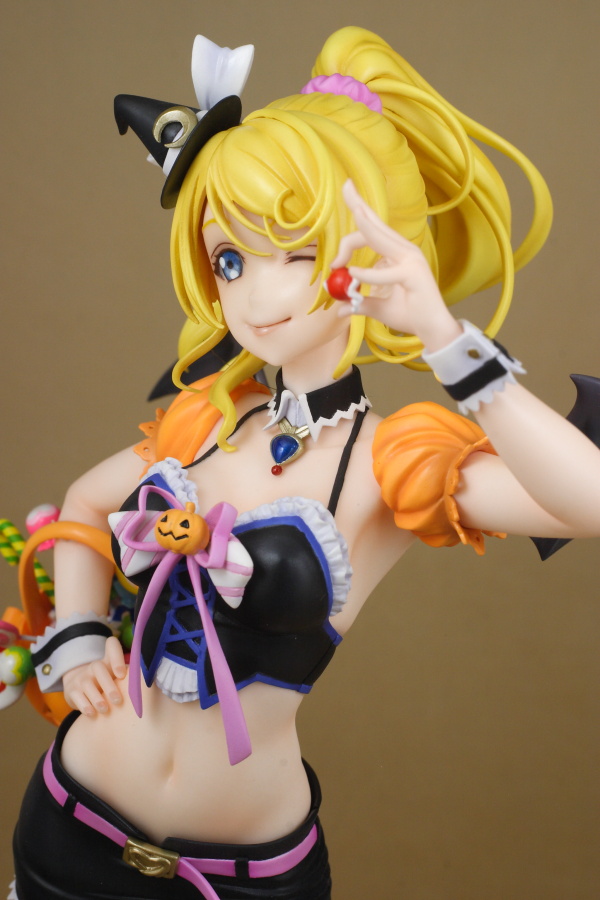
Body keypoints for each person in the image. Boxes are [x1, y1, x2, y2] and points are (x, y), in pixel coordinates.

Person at [11, 25, 600, 900]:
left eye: (297, 251)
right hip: (71, 828)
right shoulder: (207, 418)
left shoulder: (389, 463)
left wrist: (444, 338)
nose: (257, 293)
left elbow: (590, 503)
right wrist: (78, 635)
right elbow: (85, 503)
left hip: (247, 874)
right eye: (231, 258)